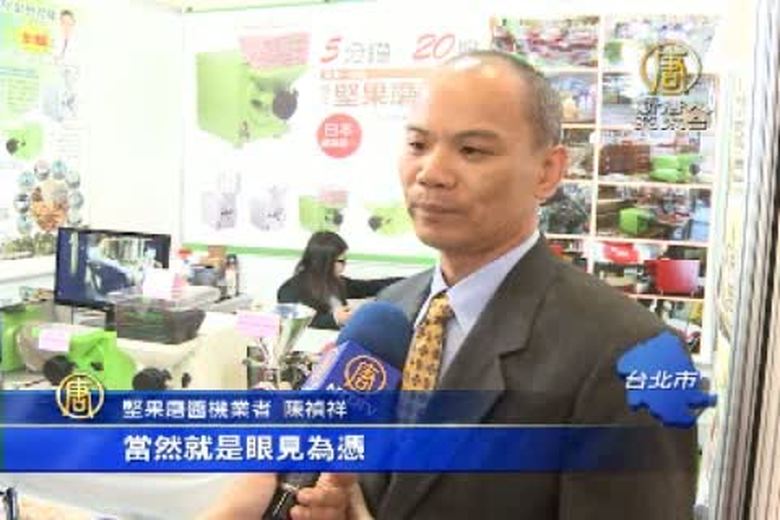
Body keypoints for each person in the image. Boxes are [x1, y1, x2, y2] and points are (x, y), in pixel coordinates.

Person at [207, 49, 697, 519]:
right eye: (418, 145)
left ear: (547, 172)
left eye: (472, 150)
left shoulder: (634, 354)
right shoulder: (387, 318)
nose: (432, 173)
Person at [277, 231, 402, 329]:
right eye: (341, 261)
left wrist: (407, 282)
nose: (344, 265)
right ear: (324, 262)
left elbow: (369, 286)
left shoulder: (335, 283)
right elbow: (293, 323)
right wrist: (334, 319)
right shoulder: (290, 290)